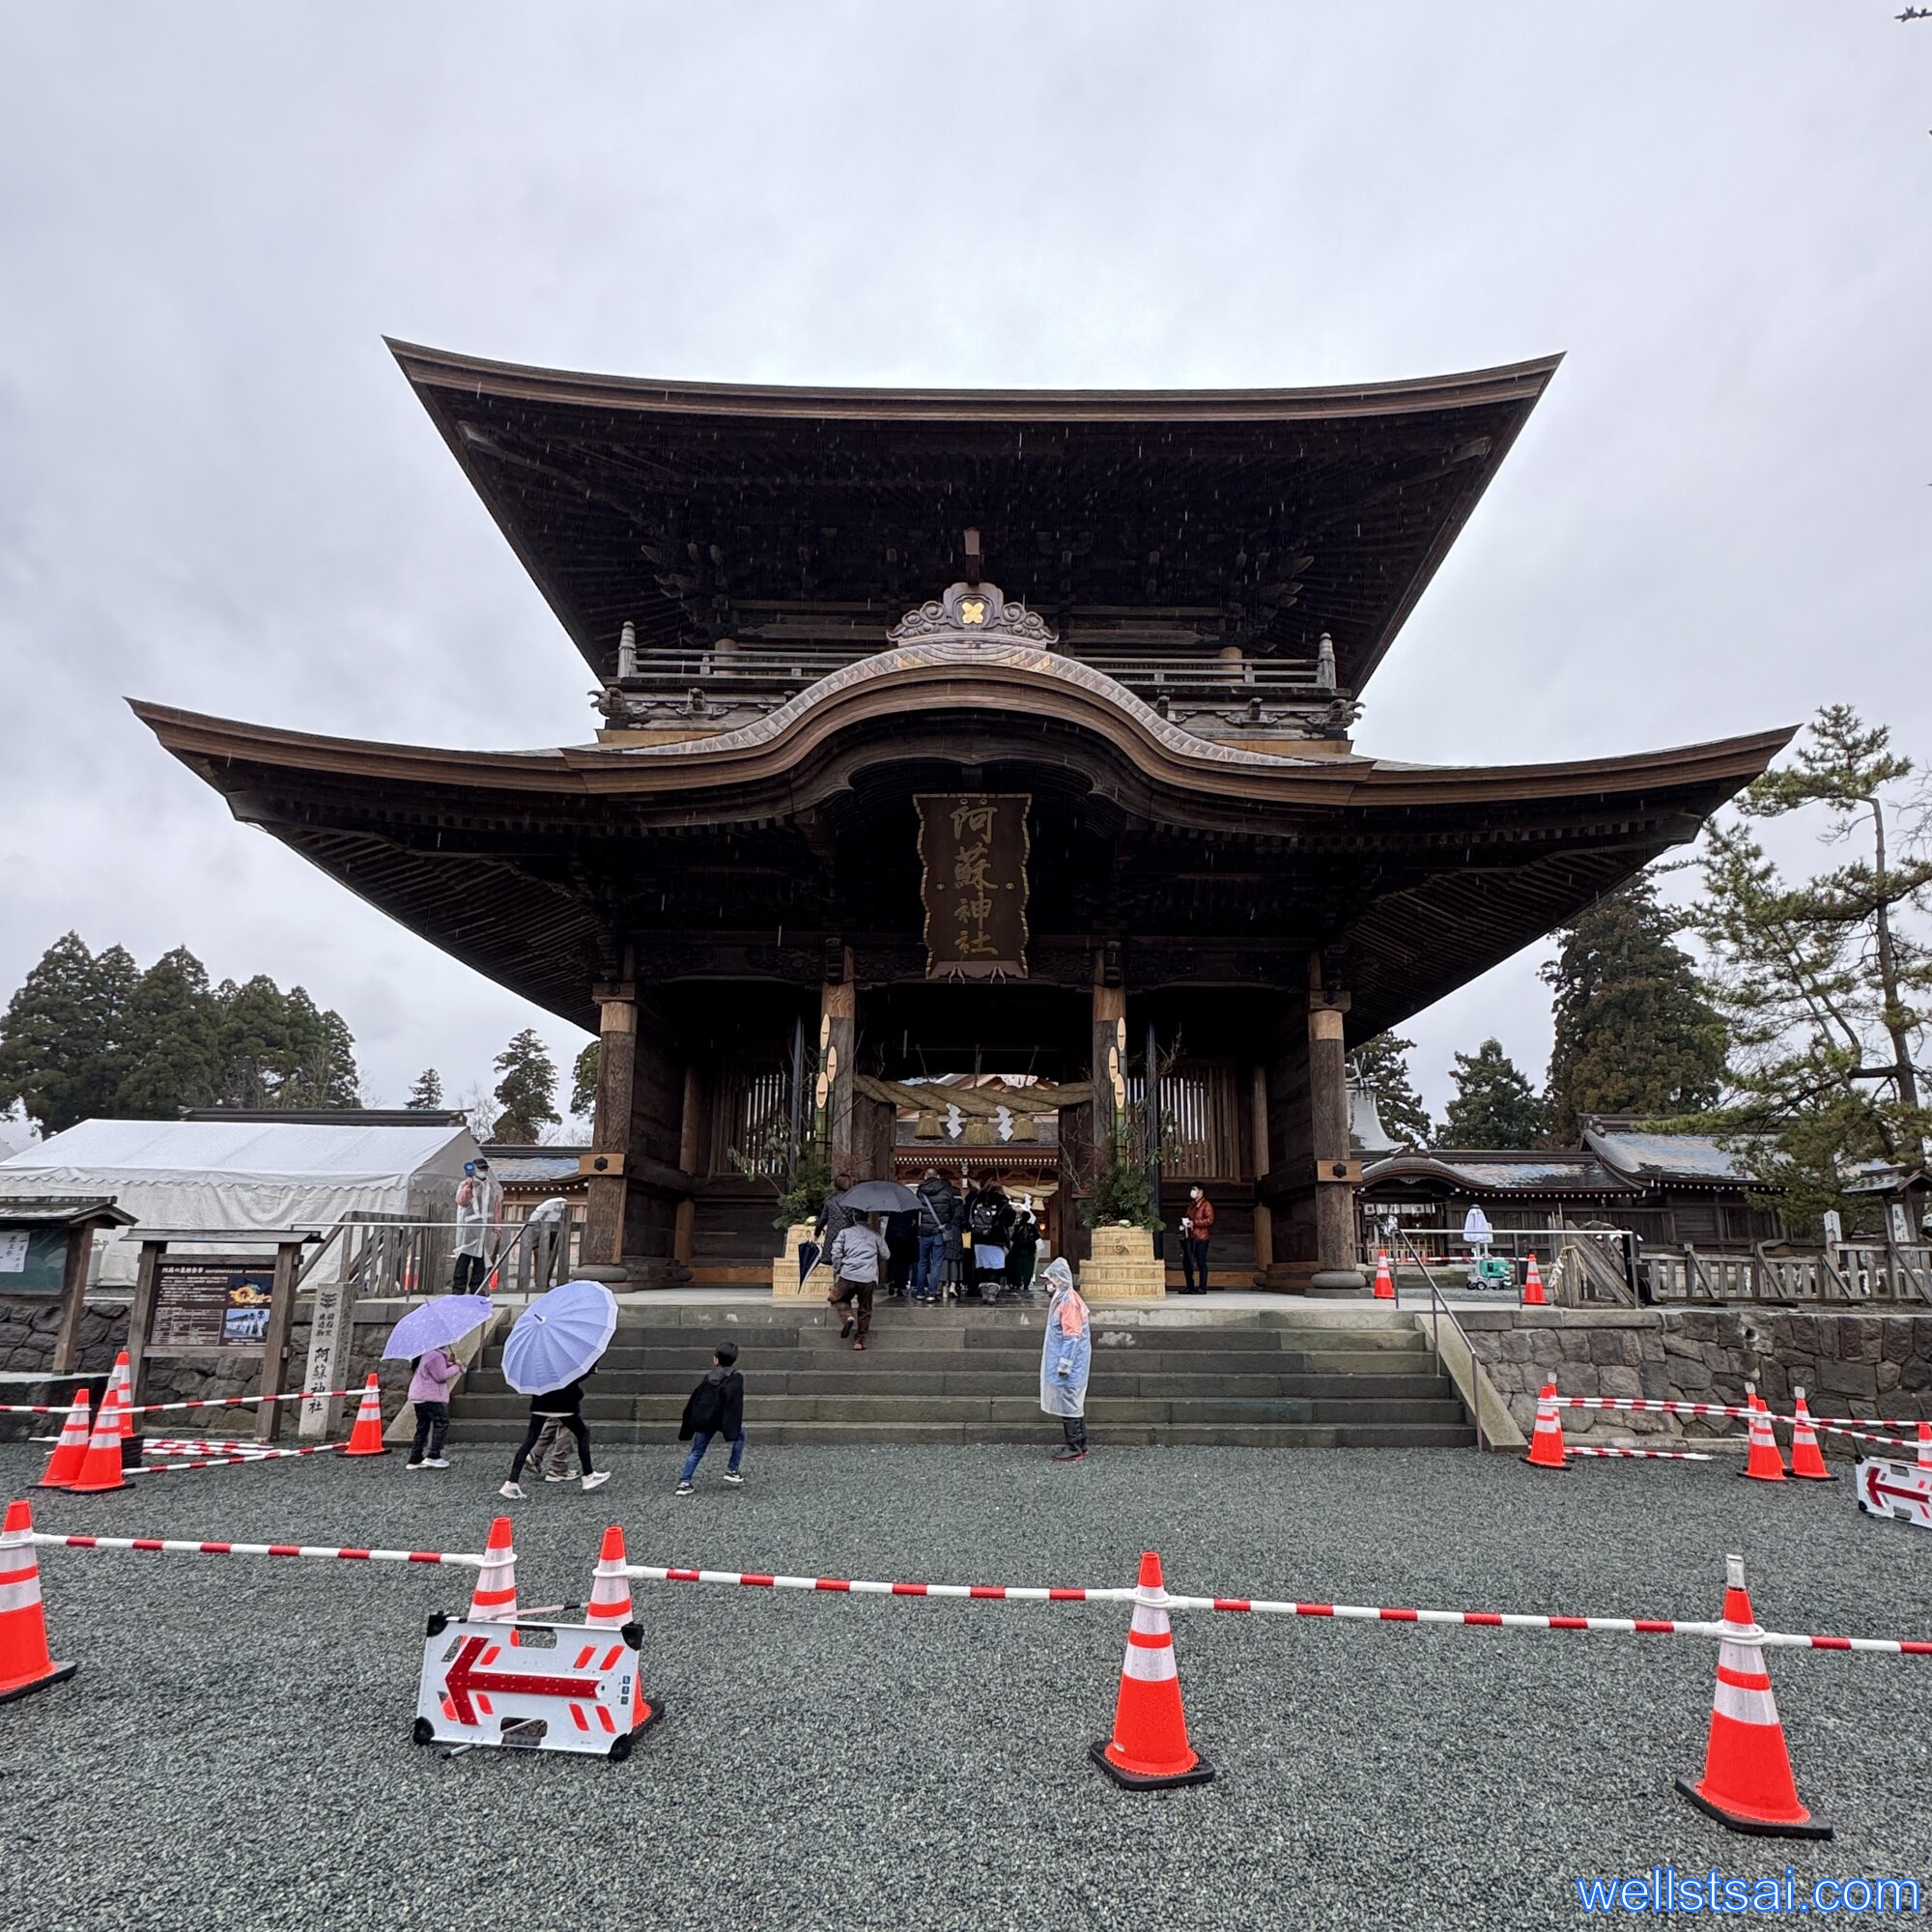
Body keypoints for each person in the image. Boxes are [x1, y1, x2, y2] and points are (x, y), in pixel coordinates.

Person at [500, 1377, 610, 1497]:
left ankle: (512, 1482)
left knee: (529, 1441)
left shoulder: (538, 1361)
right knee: (582, 1434)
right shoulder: (562, 1361)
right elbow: (575, 1378)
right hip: (563, 1404)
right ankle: (588, 1475)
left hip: (540, 1403)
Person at [1037, 1257, 1092, 1462]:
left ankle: (1074, 1445)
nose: (1048, 1284)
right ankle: (1081, 1442)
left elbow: (1072, 1335)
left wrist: (1065, 1364)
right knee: (1073, 1401)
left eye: (1050, 1279)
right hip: (1071, 1360)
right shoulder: (1065, 1298)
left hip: (1070, 1362)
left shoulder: (1067, 1301)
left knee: (1069, 1401)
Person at [675, 1342, 747, 1494]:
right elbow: (733, 1403)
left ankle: (684, 1481)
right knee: (740, 1436)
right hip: (722, 1419)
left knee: (697, 1451)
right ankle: (732, 1469)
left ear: (716, 1360)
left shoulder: (709, 1378)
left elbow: (698, 1399)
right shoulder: (735, 1378)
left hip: (705, 1419)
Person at [827, 1212, 888, 1350]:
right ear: (867, 1218)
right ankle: (859, 1341)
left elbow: (835, 1253)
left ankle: (847, 1316)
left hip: (848, 1275)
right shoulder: (875, 1234)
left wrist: (839, 1268)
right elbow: (886, 1254)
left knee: (839, 1299)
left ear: (854, 1218)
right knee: (865, 1309)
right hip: (868, 1277)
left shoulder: (845, 1233)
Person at [404, 1345, 463, 1469]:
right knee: (442, 1422)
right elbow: (440, 1376)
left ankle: (415, 1458)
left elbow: (434, 1371)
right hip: (430, 1396)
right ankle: (434, 1455)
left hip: (419, 1396)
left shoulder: (425, 1353)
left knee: (422, 1426)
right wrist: (456, 1367)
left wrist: (449, 1363)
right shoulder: (435, 1355)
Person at [451, 1158, 503, 1293]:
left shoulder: (491, 1187)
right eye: (480, 1169)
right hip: (468, 1229)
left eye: (485, 1169)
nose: (482, 1172)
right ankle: (458, 1289)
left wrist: (497, 1226)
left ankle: (477, 1288)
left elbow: (496, 1207)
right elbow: (461, 1201)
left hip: (484, 1230)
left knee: (480, 1262)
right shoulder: (466, 1184)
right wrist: (469, 1186)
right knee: (464, 1259)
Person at [963, 1173, 1014, 1302]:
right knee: (996, 1267)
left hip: (979, 1238)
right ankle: (992, 1292)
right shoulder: (1002, 1202)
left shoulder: (977, 1200)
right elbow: (1009, 1221)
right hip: (997, 1239)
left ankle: (984, 1292)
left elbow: (969, 1219)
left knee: (982, 1266)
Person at [913, 1168, 958, 1303]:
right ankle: (932, 1293)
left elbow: (917, 1210)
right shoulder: (946, 1190)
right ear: (938, 1177)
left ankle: (920, 1292)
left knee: (922, 1262)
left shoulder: (920, 1191)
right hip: (939, 1231)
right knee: (937, 1263)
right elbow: (953, 1209)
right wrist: (946, 1222)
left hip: (924, 1231)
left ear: (926, 1177)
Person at [1180, 1184, 1216, 1293]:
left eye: (1194, 1190)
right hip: (1191, 1236)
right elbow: (1188, 1217)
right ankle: (1190, 1286)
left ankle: (1202, 1287)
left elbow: (1210, 1220)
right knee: (1188, 1262)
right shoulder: (1192, 1205)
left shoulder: (1206, 1205)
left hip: (1201, 1237)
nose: (1192, 1192)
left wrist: (1195, 1223)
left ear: (1201, 1192)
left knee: (1201, 1262)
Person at [883, 1204, 920, 1302]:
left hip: (893, 1238)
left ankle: (891, 1280)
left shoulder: (891, 1208)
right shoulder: (911, 1209)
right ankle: (901, 1285)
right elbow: (914, 1223)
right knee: (904, 1264)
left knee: (893, 1261)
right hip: (906, 1239)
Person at [1008, 1208, 1039, 1296]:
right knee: (1028, 1268)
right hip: (1029, 1250)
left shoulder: (1017, 1227)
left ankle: (1017, 1283)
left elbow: (1013, 1238)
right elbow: (1037, 1237)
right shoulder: (1032, 1227)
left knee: (1018, 1267)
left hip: (1018, 1250)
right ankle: (1026, 1284)